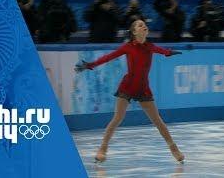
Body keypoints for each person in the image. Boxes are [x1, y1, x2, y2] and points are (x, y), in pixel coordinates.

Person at [75, 19, 185, 163]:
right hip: (127, 87)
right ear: (134, 32)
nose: (144, 26)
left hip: (143, 88)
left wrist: (170, 52)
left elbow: (162, 51)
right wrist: (90, 65)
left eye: (144, 24)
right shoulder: (127, 47)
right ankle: (102, 149)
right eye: (140, 25)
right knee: (117, 118)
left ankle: (174, 148)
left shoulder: (150, 46)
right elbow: (108, 57)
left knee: (158, 121)